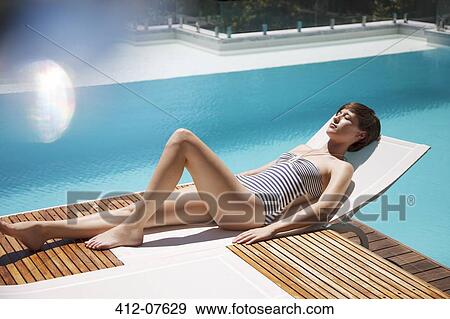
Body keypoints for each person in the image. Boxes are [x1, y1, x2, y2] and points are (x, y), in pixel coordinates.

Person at [0, 102, 381, 251]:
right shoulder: (301, 149)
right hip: (235, 195)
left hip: (251, 211)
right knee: (141, 209)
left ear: (360, 136)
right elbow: (258, 172)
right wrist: (200, 182)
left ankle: (130, 232)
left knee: (183, 139)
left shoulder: (340, 167)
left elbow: (324, 209)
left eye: (347, 118)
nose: (337, 117)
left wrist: (269, 230)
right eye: (338, 112)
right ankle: (45, 230)